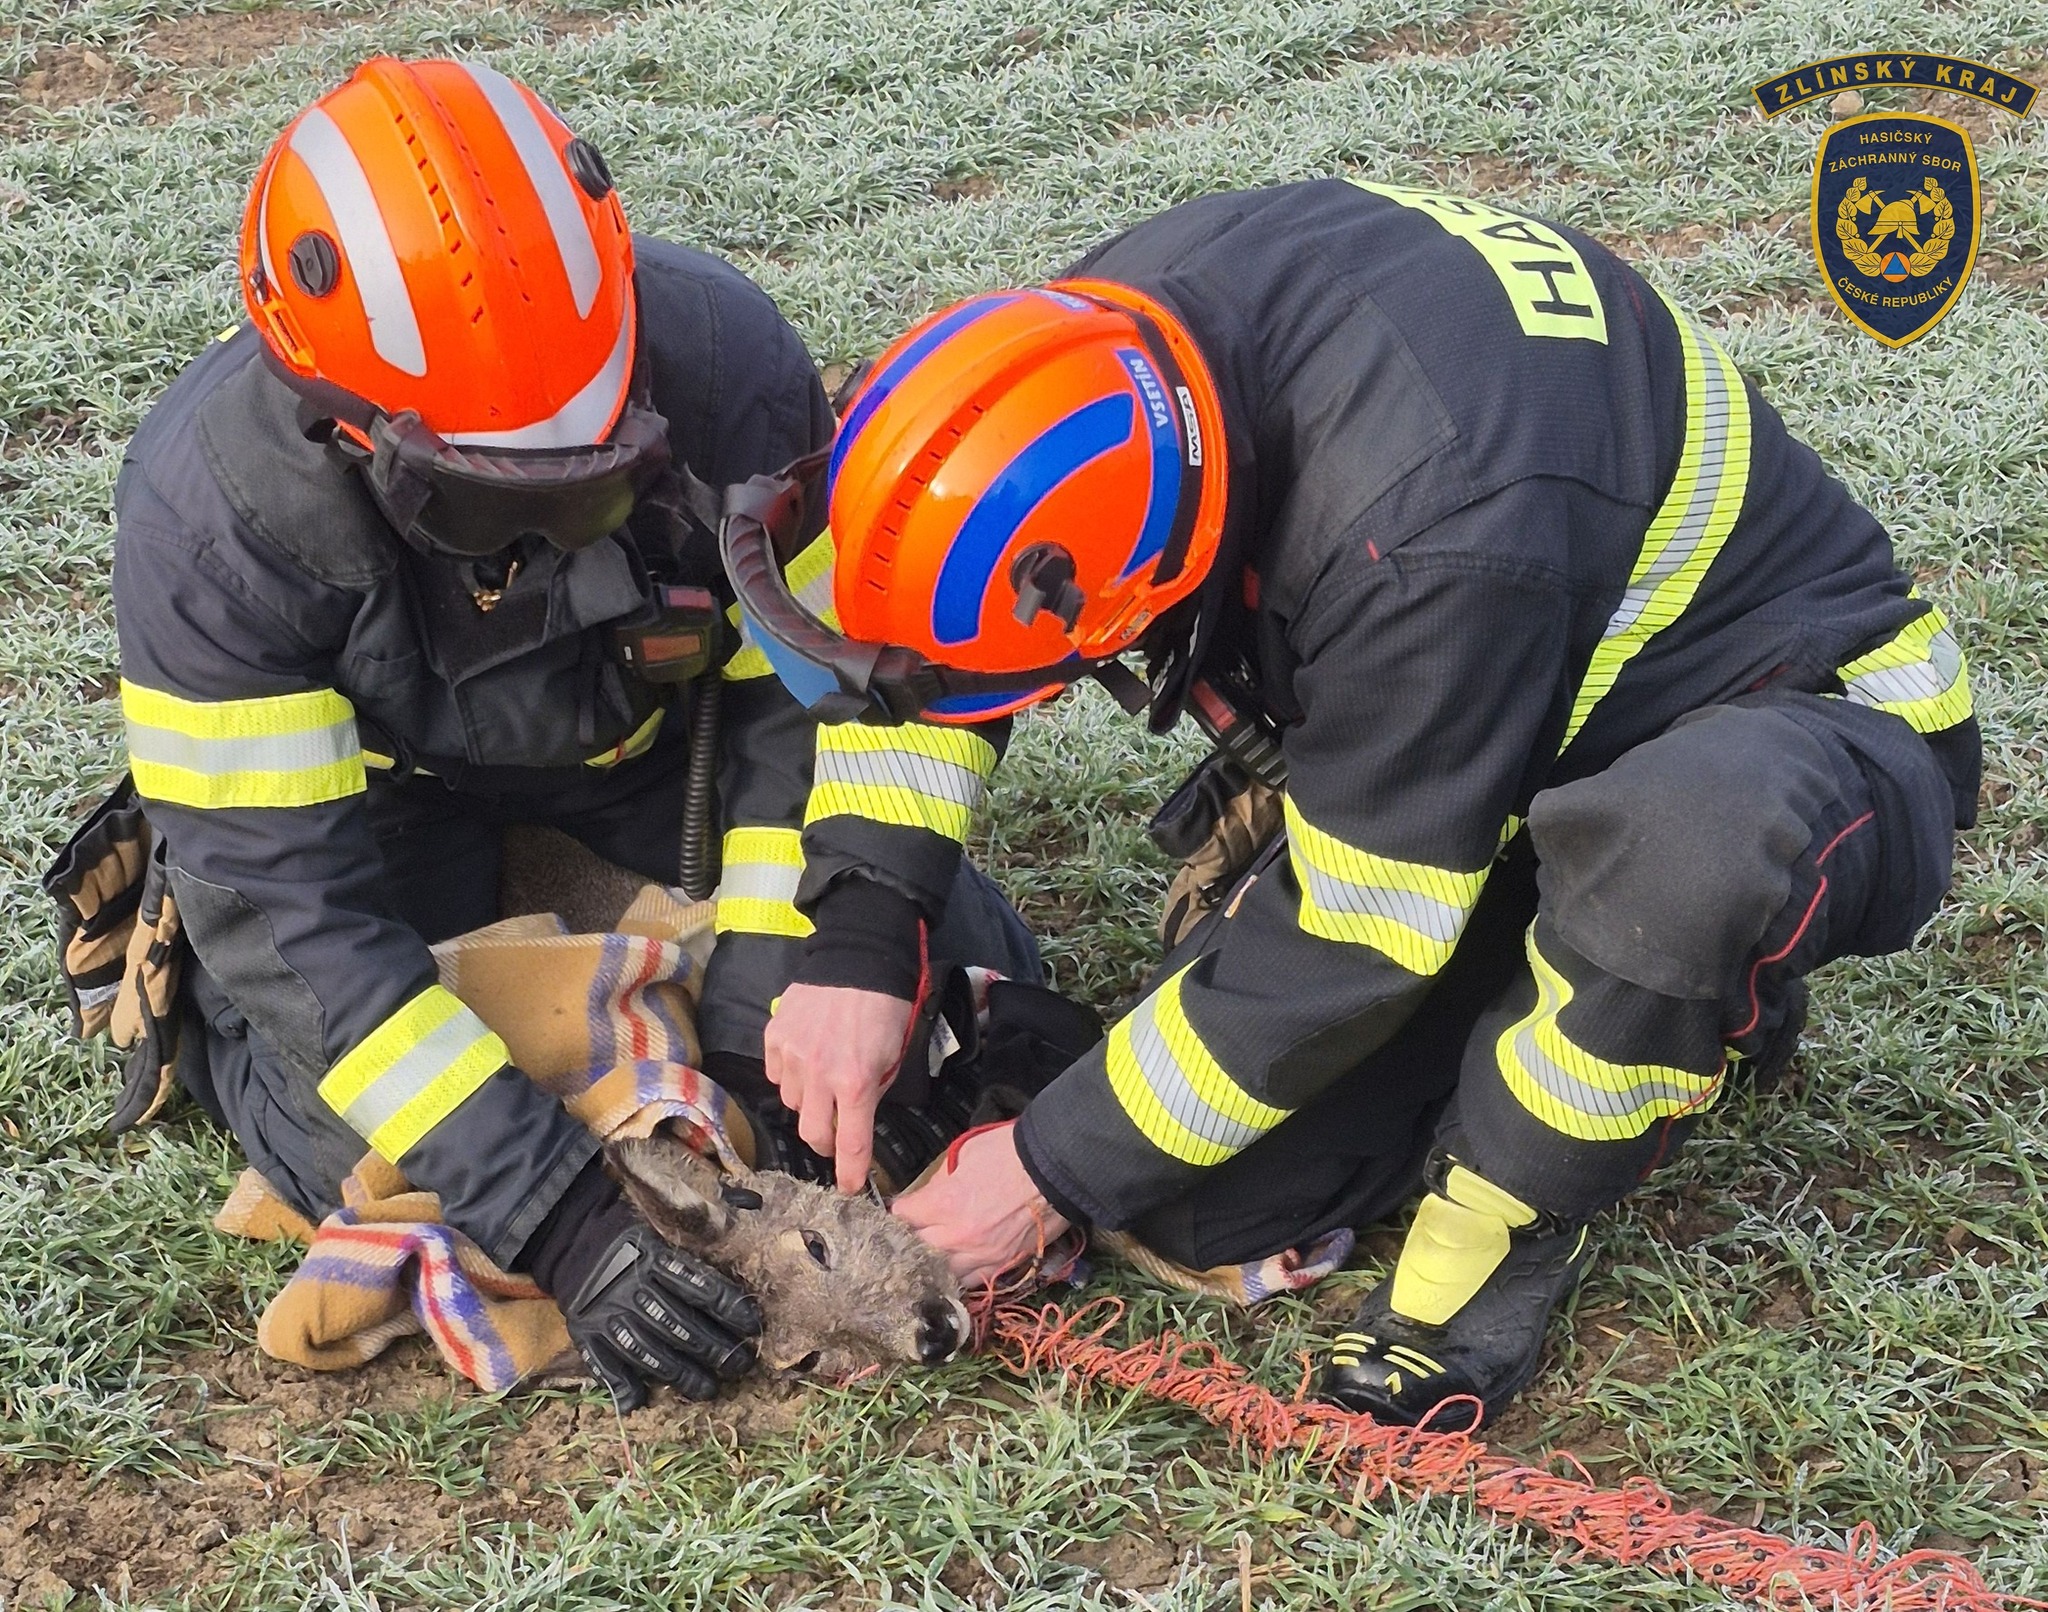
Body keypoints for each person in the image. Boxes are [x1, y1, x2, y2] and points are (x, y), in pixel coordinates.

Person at [725, 177, 1980, 1428]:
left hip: (1794, 729)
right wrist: (862, 939)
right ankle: (1585, 931)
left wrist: (1045, 1172)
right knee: (1212, 1199)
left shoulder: (1429, 542)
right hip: (1514, 692)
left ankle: (1514, 1209)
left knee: (1683, 860)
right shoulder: (1092, 355)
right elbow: (941, 644)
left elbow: (1353, 940)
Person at [101, 58, 1035, 1411]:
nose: (549, 523)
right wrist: (562, 1223)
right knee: (374, 1144)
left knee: (924, 999)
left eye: (598, 477)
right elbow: (295, 913)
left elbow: (813, 709)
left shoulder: (722, 364)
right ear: (352, 429)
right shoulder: (214, 524)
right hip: (384, 809)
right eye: (490, 498)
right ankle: (221, 1045)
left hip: (656, 752)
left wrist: (757, 1049)